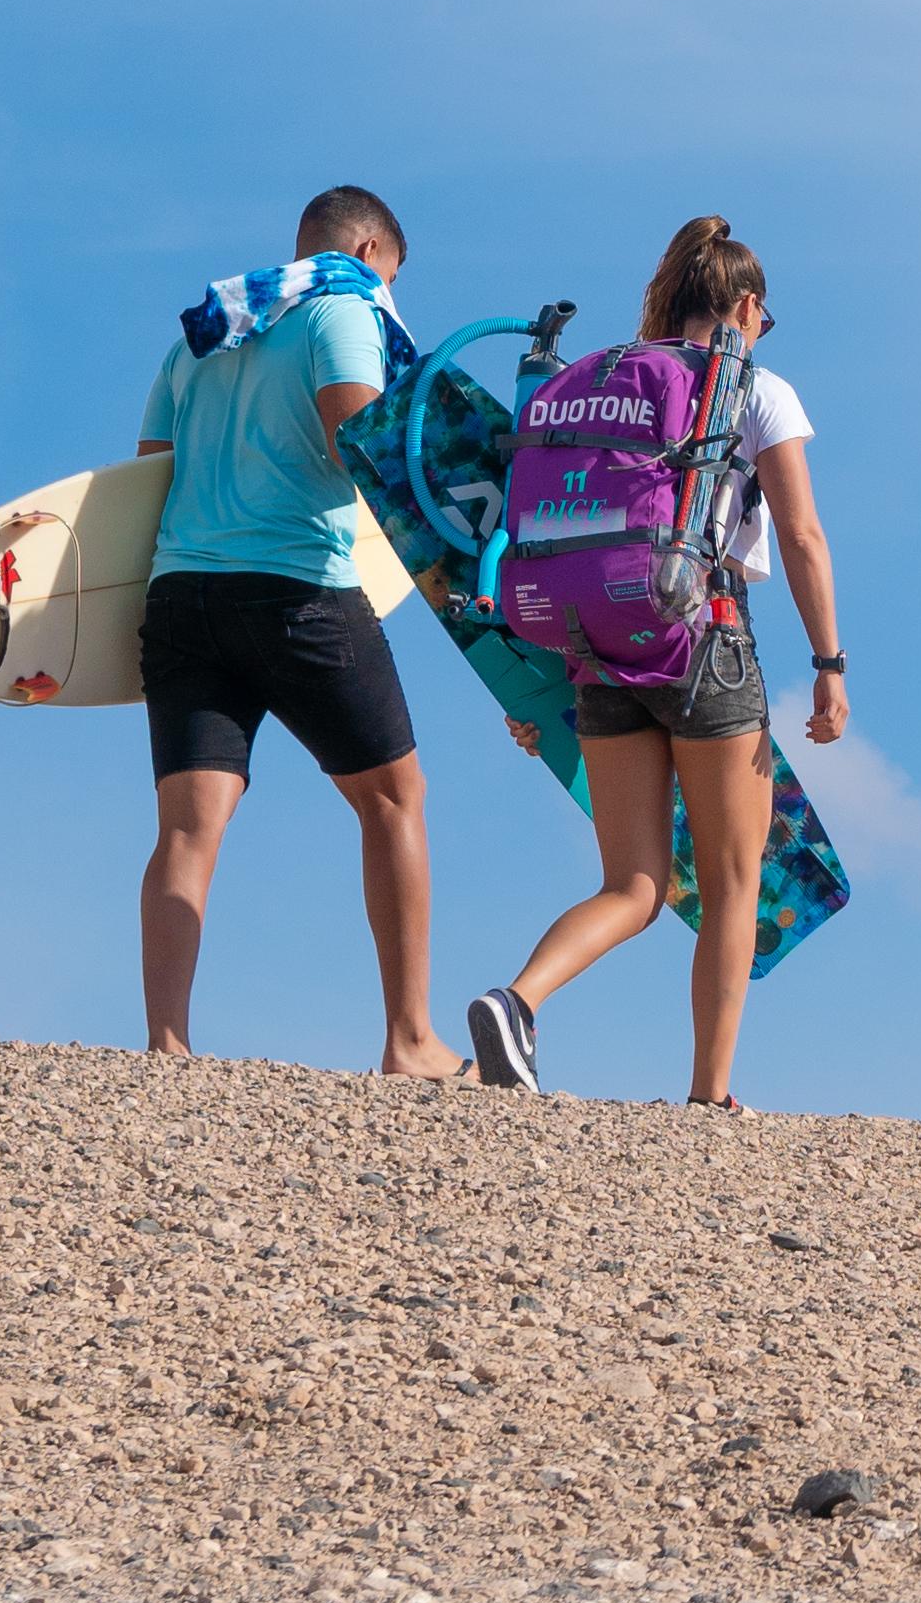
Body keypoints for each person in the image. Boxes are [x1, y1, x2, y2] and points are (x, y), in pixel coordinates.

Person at [463, 214, 845, 1110]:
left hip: (593, 641)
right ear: (747, 306)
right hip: (701, 632)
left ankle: (515, 1000)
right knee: (731, 882)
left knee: (632, 884)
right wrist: (830, 662)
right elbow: (801, 534)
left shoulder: (594, 380)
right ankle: (710, 1095)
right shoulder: (753, 387)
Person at [133, 184, 453, 1077]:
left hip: (181, 595)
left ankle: (166, 1044)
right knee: (394, 799)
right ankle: (411, 1040)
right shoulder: (343, 311)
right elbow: (364, 444)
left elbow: (146, 479)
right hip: (298, 588)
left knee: (188, 829)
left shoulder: (201, 335)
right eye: (389, 271)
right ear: (367, 248)